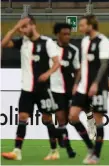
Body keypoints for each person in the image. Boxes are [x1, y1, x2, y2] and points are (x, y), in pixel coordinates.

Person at [1, 15, 60, 160]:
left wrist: (48, 73)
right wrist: (15, 28)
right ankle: (17, 151)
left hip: (42, 89)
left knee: (47, 119)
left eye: (24, 26)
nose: (22, 30)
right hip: (27, 89)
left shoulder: (47, 42)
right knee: (22, 117)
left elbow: (57, 62)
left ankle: (54, 151)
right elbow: (3, 44)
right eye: (21, 28)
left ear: (32, 25)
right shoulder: (23, 42)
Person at [69, 15, 109, 164]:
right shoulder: (85, 41)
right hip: (82, 87)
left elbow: (104, 64)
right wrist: (76, 83)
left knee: (98, 120)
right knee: (73, 116)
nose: (79, 28)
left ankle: (96, 155)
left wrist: (95, 83)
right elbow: (83, 64)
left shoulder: (103, 41)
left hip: (98, 87)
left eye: (82, 25)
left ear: (90, 26)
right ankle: (89, 146)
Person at [44, 23, 80, 160]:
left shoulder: (72, 50)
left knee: (61, 120)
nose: (67, 36)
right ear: (57, 34)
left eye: (69, 34)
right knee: (46, 118)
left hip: (62, 90)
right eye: (64, 34)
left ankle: (65, 148)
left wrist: (76, 85)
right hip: (47, 88)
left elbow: (77, 70)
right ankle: (57, 148)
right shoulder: (49, 47)